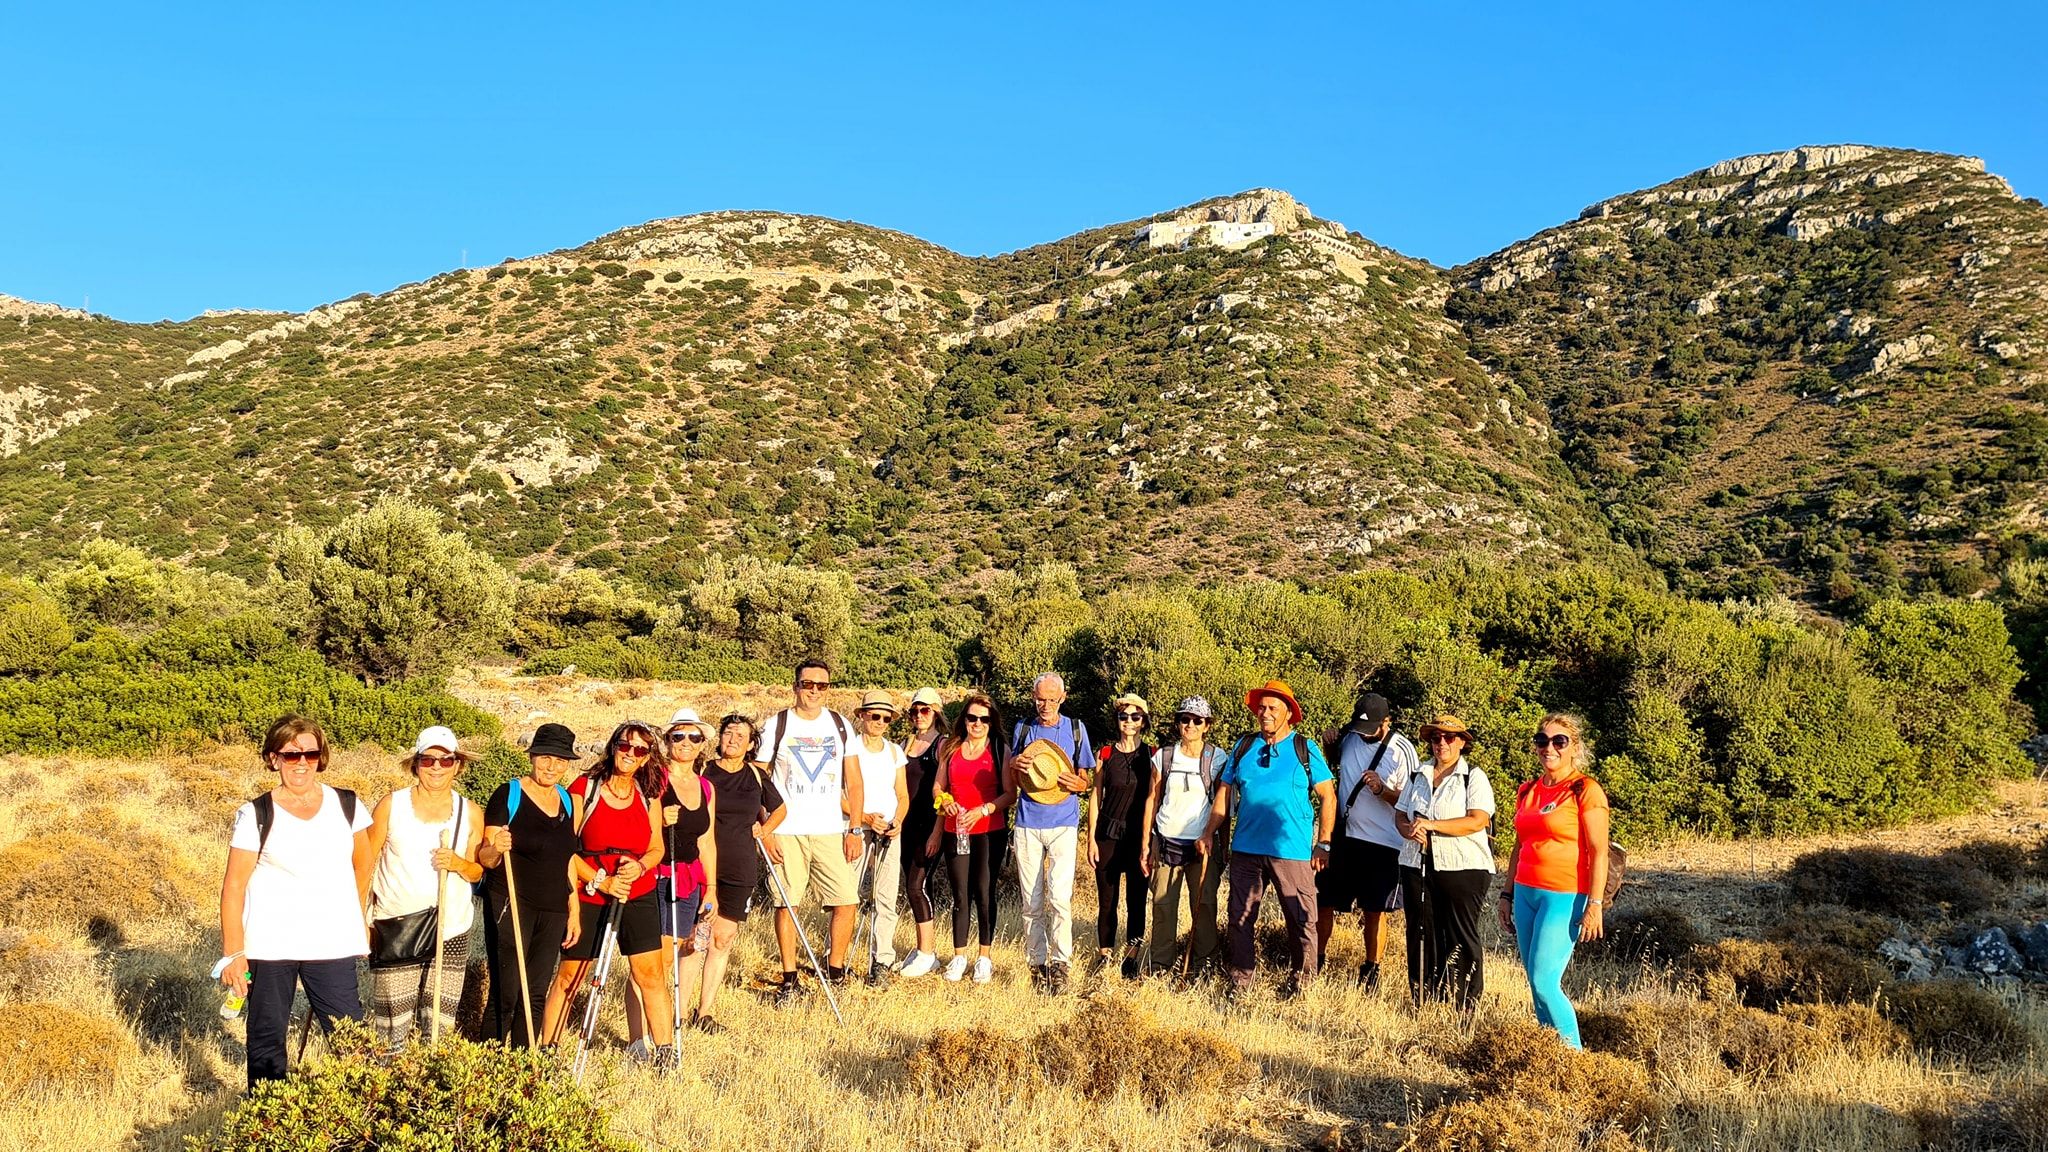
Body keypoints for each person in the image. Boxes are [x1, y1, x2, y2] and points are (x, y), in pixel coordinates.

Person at [217, 715, 373, 1088]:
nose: (301, 763)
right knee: (267, 1040)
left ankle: (362, 1121)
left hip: (331, 943)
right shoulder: (255, 814)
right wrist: (233, 954)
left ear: (321, 758)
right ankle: (267, 1124)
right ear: (273, 759)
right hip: (271, 945)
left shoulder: (348, 805)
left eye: (310, 754)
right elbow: (233, 887)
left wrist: (357, 918)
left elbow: (363, 864)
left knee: (350, 1039)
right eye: (290, 755)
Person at [544, 720, 674, 1068]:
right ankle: (547, 1052)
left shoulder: (650, 794)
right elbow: (565, 850)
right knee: (571, 976)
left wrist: (641, 867)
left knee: (651, 974)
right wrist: (600, 881)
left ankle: (664, 1055)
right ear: (613, 746)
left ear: (648, 758)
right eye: (624, 745)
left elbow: (656, 848)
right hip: (589, 893)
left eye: (639, 750)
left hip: (637, 891)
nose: (630, 754)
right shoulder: (583, 788)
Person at [1201, 680, 1335, 999]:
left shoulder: (1305, 747)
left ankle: (1303, 982)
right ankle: (1241, 980)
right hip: (1246, 847)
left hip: (1291, 849)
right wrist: (1209, 832)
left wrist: (1324, 843)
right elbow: (1224, 793)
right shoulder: (1244, 746)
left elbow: (1328, 796)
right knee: (1240, 917)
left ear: (1289, 713)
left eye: (1273, 707)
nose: (1265, 712)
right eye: (1261, 707)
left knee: (1301, 917)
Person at [364, 726, 486, 1048]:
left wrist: (458, 864)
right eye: (427, 760)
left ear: (457, 765)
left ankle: (430, 1087)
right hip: (396, 925)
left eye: (445, 761)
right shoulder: (391, 806)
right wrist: (360, 919)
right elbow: (365, 864)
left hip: (452, 928)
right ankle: (388, 1087)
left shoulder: (470, 812)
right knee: (392, 1026)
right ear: (415, 764)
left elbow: (477, 873)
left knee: (439, 1026)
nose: (436, 767)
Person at [753, 658, 865, 1001]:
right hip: (787, 830)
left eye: (822, 685)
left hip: (831, 828)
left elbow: (855, 782)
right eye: (808, 684)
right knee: (788, 903)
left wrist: (855, 829)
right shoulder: (777, 725)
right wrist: (766, 828)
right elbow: (758, 778)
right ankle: (789, 976)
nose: (814, 691)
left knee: (846, 901)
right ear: (795, 687)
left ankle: (835, 969)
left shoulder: (840, 725)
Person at [1500, 713, 1610, 1048]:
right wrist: (1506, 895)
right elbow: (1519, 845)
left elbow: (1599, 851)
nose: (1549, 747)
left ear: (1574, 747)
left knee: (1544, 980)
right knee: (1535, 985)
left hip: (1564, 895)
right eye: (1542, 740)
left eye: (1559, 741)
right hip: (1525, 892)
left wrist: (1595, 904)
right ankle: (1550, 1057)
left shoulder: (1584, 790)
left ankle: (1575, 1061)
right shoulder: (1528, 790)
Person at [478, 722, 585, 1048]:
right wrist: (498, 847)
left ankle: (524, 1069)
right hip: (511, 902)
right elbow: (485, 857)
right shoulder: (508, 794)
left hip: (553, 908)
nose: (552, 767)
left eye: (560, 760)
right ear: (532, 755)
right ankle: (487, 1068)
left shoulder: (568, 801)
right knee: (506, 992)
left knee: (535, 994)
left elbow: (567, 858)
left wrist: (574, 910)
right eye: (545, 757)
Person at [622, 708, 718, 1059]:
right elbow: (634, 827)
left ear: (702, 744)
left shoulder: (706, 787)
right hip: (655, 877)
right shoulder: (654, 780)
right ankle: (638, 1040)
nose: (686, 743)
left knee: (670, 959)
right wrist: (660, 820)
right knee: (651, 962)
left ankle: (649, 1036)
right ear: (667, 740)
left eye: (694, 737)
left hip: (689, 881)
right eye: (679, 736)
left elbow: (707, 840)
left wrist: (711, 889)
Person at [1317, 692, 1419, 990]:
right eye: (1359, 727)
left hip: (1382, 842)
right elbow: (1335, 767)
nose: (1362, 734)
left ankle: (1371, 969)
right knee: (1324, 900)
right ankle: (1317, 959)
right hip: (1344, 836)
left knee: (1375, 909)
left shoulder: (1402, 750)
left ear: (1386, 722)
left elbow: (1413, 799)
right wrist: (1330, 744)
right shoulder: (1350, 737)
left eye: (1369, 728)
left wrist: (1382, 790)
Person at [691, 714, 787, 1032]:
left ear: (750, 745)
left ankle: (703, 1012)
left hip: (740, 866)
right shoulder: (703, 770)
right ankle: (676, 1014)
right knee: (695, 939)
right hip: (701, 866)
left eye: (740, 735)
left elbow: (781, 808)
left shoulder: (756, 777)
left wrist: (765, 830)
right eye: (727, 733)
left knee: (723, 937)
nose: (732, 739)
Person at [1394, 714, 1495, 1012]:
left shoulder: (1473, 776)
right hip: (1416, 863)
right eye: (1436, 738)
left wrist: (1432, 826)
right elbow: (1400, 813)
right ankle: (1423, 998)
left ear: (1463, 742)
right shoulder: (1418, 774)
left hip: (1463, 866)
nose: (1442, 743)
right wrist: (1408, 829)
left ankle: (1465, 1004)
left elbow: (1477, 820)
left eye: (1450, 738)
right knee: (1420, 931)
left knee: (1460, 934)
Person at [1009, 672, 1094, 994]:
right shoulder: (1023, 728)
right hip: (1028, 822)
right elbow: (1015, 779)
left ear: (1063, 697)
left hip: (1063, 822)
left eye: (1051, 699)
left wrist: (1081, 785)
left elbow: (1084, 778)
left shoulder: (1075, 729)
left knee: (1060, 899)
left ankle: (1061, 965)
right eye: (1040, 699)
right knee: (1031, 902)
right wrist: (1017, 767)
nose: (1045, 705)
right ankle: (1036, 965)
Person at [1142, 697, 1230, 979]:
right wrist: (1146, 843)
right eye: (1184, 719)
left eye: (1197, 720)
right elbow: (1151, 800)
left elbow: (1223, 804)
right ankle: (1161, 967)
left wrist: (1222, 847)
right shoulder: (1164, 756)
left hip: (1202, 845)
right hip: (1166, 841)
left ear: (1207, 725)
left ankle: (1205, 965)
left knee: (1204, 906)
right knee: (1163, 908)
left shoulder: (1217, 758)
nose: (1189, 725)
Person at [933, 693, 1015, 983]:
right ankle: (958, 956)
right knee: (959, 894)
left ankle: (984, 957)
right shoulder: (950, 747)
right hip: (956, 830)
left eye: (984, 718)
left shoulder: (999, 749)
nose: (977, 723)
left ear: (992, 722)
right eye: (972, 717)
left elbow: (1009, 794)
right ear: (963, 719)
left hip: (989, 831)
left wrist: (984, 809)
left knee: (984, 891)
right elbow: (938, 787)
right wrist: (945, 801)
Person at [1087, 692, 1154, 980]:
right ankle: (1104, 955)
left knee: (1136, 899)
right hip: (1107, 834)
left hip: (1138, 838)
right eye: (1123, 716)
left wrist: (1150, 843)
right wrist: (1090, 837)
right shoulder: (1104, 754)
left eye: (1135, 716)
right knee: (1107, 899)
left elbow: (1156, 798)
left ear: (1143, 721)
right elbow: (1094, 796)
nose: (1128, 721)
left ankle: (1131, 958)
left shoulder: (1152, 756)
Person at [852, 690, 909, 984]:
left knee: (886, 896)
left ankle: (882, 960)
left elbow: (902, 794)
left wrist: (897, 820)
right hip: (856, 830)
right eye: (874, 715)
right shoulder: (849, 748)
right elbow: (838, 794)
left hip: (888, 830)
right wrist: (863, 819)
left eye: (886, 718)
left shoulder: (894, 752)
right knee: (847, 895)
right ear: (862, 716)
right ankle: (836, 956)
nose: (880, 722)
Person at [895, 687, 947, 979]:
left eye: (925, 710)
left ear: (936, 712)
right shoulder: (904, 744)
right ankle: (922, 949)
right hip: (905, 826)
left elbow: (946, 792)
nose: (919, 715)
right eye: (914, 711)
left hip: (929, 826)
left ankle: (927, 952)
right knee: (910, 887)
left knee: (918, 885)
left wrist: (937, 832)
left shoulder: (943, 746)